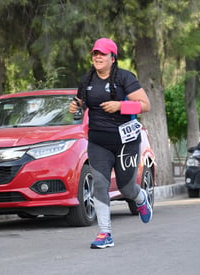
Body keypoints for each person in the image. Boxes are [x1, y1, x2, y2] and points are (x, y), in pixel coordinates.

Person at [69, 38, 152, 249]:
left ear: (112, 58)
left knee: (126, 188)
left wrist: (120, 106)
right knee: (100, 184)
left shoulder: (125, 78)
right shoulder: (87, 80)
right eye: (95, 53)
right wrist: (75, 107)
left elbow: (145, 105)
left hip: (126, 143)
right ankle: (105, 233)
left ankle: (141, 198)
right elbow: (80, 103)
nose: (97, 57)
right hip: (98, 142)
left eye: (102, 54)